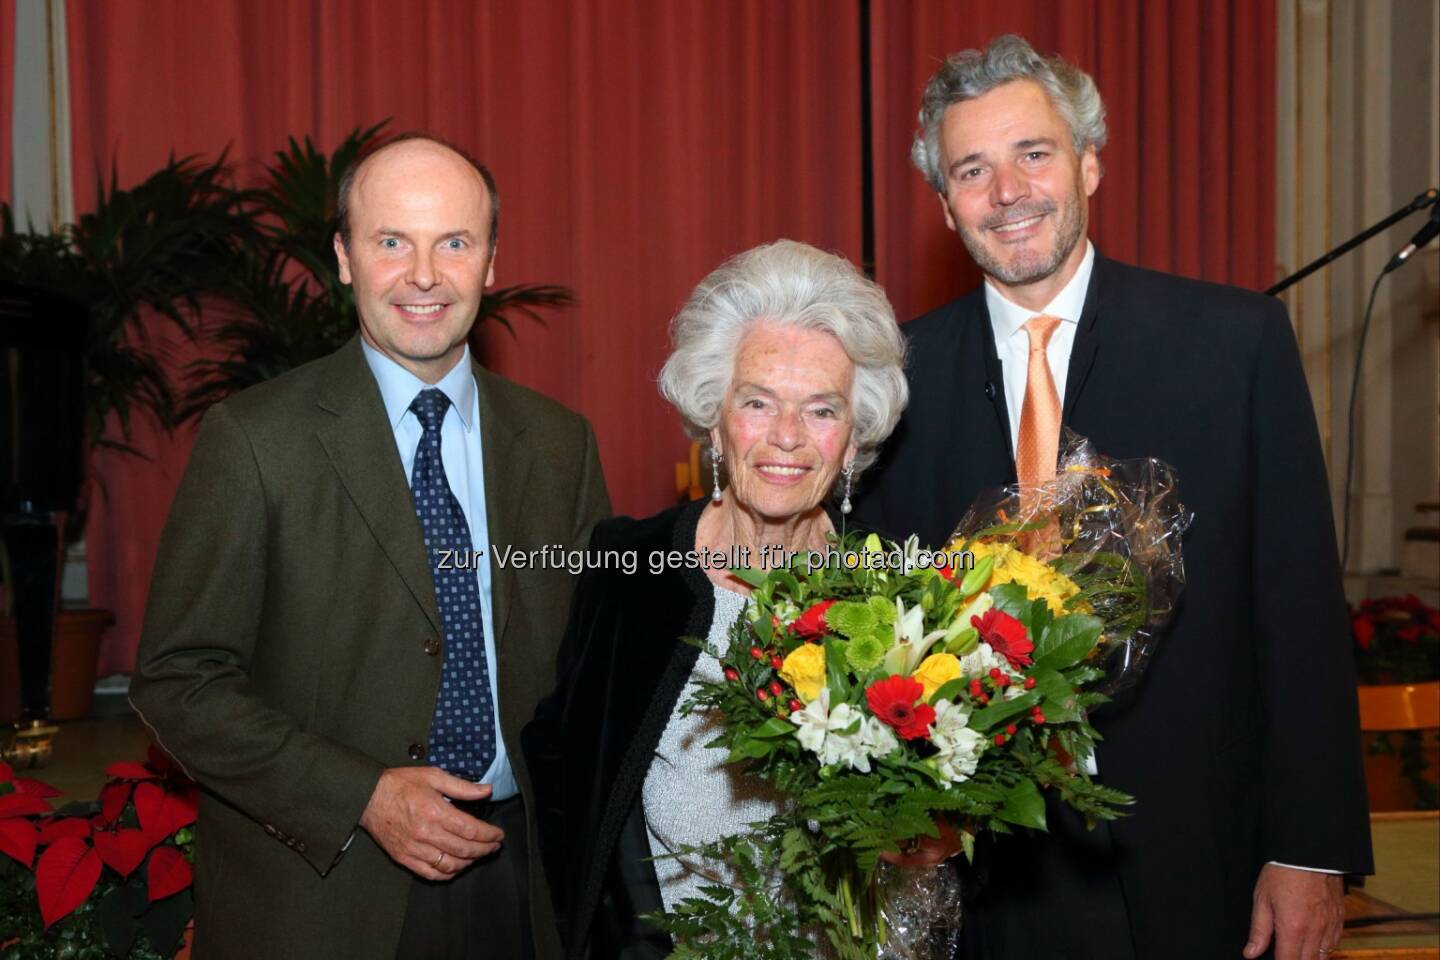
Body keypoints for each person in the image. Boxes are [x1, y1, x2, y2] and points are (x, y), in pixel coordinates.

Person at [854, 35, 1373, 960]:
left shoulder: (1235, 343)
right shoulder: (896, 380)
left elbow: (1297, 612)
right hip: (980, 878)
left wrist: (1310, 851)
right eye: (972, 169)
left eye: (1034, 154)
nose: (1007, 191)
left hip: (1197, 862)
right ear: (944, 206)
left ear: (1090, 162)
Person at [130, 135, 609, 960]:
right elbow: (179, 682)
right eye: (392, 242)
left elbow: (597, 661)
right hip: (324, 895)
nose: (424, 275)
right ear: (345, 258)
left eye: (453, 243)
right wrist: (361, 796)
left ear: (491, 262)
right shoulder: (253, 439)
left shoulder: (559, 445)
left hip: (523, 890)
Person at [522, 240, 917, 959]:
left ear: (854, 436)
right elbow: (561, 766)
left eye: (821, 410)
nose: (787, 437)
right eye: (757, 401)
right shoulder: (625, 567)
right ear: (713, 417)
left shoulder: (898, 598)